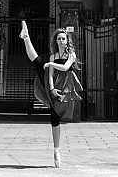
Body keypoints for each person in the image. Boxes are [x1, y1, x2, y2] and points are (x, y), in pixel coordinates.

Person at [19, 19, 81, 168]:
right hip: (53, 84)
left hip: (65, 85)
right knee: (38, 62)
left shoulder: (71, 54)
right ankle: (26, 36)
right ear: (56, 41)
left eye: (63, 39)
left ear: (67, 41)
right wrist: (52, 89)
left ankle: (56, 150)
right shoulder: (53, 56)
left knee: (57, 117)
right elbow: (51, 74)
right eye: (58, 38)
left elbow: (65, 68)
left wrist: (50, 64)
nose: (61, 41)